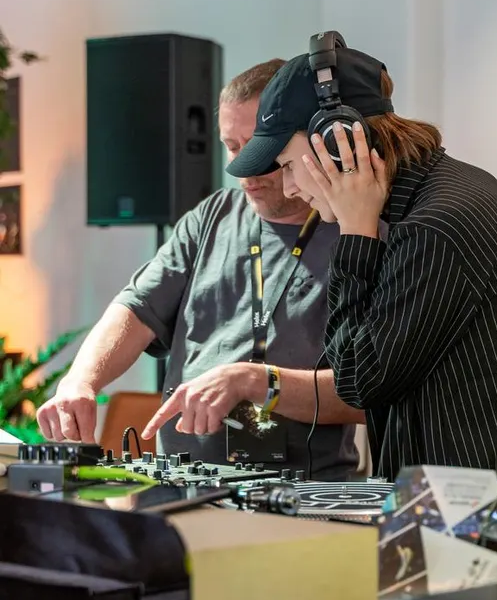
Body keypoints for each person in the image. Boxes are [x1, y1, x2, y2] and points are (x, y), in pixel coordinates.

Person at [226, 33, 497, 503]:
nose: (288, 186)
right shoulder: (438, 193)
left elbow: (358, 381)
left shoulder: (433, 227)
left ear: (337, 144)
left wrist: (355, 233)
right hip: (468, 504)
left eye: (286, 165)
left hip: (487, 523)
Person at [37, 59, 364, 479]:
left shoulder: (358, 230)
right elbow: (135, 309)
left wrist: (256, 380)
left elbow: (368, 393)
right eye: (231, 146)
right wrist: (79, 382)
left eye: (260, 144)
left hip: (303, 489)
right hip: (184, 480)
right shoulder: (212, 216)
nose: (241, 167)